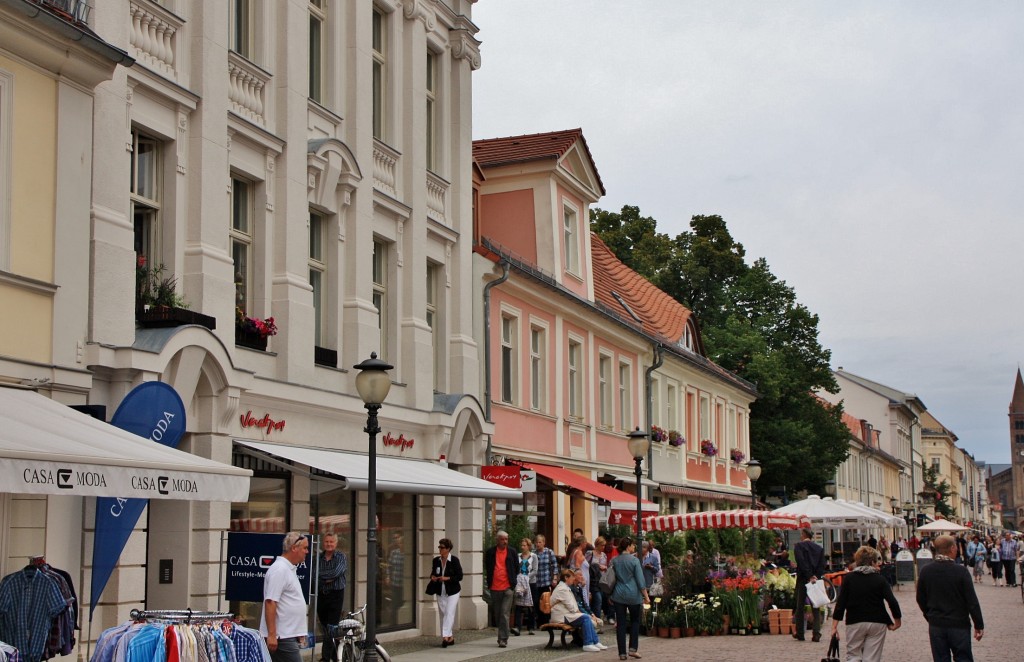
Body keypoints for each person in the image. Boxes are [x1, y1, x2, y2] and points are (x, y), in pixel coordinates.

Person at [916, 534, 984, 662]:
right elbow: (971, 601)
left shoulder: (926, 571)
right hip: (959, 624)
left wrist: (929, 615)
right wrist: (978, 624)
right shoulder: (961, 571)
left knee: (940, 659)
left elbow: (920, 598)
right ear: (952, 548)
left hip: (937, 624)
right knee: (963, 658)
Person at [829, 545, 901, 662]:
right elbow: (892, 601)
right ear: (872, 562)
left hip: (855, 621)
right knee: (872, 658)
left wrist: (834, 626)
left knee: (853, 655)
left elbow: (841, 603)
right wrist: (897, 621)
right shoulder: (880, 579)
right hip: (877, 622)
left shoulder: (849, 578)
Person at [260, 532, 310, 662]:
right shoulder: (279, 570)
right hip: (281, 636)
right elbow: (270, 602)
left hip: (287, 635)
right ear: (294, 548)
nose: (307, 551)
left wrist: (298, 632)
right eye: (304, 548)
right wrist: (272, 635)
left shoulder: (288, 569)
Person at [609, 536, 649, 660]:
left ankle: (622, 653)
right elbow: (640, 581)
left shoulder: (614, 560)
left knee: (620, 624)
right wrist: (646, 596)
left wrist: (610, 595)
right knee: (635, 621)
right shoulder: (634, 561)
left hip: (618, 594)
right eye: (632, 545)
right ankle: (632, 649)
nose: (634, 547)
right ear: (628, 546)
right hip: (633, 595)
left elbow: (611, 579)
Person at [549, 569, 606, 652]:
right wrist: (582, 614)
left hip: (565, 614)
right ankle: (588, 643)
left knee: (586, 617)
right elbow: (572, 607)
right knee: (585, 618)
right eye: (572, 578)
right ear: (566, 578)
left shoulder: (564, 587)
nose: (573, 579)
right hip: (561, 616)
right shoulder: (562, 589)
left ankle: (595, 641)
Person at [484, 530, 518, 648]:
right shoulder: (490, 552)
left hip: (508, 587)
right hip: (494, 587)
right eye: (502, 539)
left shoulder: (512, 552)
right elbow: (488, 567)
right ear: (497, 540)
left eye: (506, 539)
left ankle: (503, 638)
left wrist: (512, 583)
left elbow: (516, 568)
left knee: (504, 613)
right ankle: (502, 633)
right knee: (498, 614)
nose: (505, 542)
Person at [316, 533, 347, 662]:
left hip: (336, 595)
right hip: (321, 596)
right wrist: (326, 579)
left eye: (331, 542)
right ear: (324, 543)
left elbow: (336, 572)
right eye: (327, 542)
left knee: (331, 627)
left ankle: (325, 658)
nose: (329, 544)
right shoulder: (318, 557)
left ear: (336, 543)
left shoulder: (341, 557)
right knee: (325, 628)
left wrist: (322, 577)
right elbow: (314, 575)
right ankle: (337, 656)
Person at [428, 537, 463, 648]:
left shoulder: (454, 560)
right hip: (440, 590)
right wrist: (433, 577)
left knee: (449, 612)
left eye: (442, 547)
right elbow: (433, 573)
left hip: (453, 591)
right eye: (439, 547)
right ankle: (450, 637)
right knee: (443, 614)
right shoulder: (436, 560)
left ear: (448, 549)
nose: (440, 549)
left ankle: (445, 637)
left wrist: (447, 578)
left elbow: (459, 576)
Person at [792, 527, 826, 642]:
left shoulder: (799, 547)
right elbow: (822, 565)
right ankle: (816, 633)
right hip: (815, 580)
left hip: (803, 579)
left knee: (800, 606)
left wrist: (808, 575)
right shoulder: (819, 548)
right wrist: (815, 576)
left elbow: (801, 562)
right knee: (815, 606)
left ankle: (800, 633)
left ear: (803, 534)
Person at [532, 534, 558, 627]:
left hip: (547, 580)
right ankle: (539, 622)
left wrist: (554, 578)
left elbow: (555, 565)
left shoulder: (549, 552)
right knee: (537, 601)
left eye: (540, 542)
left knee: (546, 601)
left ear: (543, 543)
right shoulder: (533, 553)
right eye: (536, 542)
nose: (538, 544)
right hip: (537, 581)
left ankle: (546, 621)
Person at [512, 537, 536, 636]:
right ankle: (517, 626)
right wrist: (520, 578)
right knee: (519, 604)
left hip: (530, 583)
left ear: (528, 546)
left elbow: (535, 570)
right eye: (521, 545)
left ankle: (531, 626)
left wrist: (527, 577)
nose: (522, 547)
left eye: (524, 545)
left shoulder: (533, 556)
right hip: (520, 583)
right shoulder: (518, 556)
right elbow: (516, 568)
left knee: (530, 605)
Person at [385, 531, 405, 625]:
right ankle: (393, 623)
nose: (400, 545)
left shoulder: (407, 555)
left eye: (402, 543)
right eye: (399, 543)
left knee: (400, 603)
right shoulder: (394, 553)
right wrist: (388, 576)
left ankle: (400, 621)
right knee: (394, 603)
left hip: (403, 584)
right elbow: (389, 566)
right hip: (395, 582)